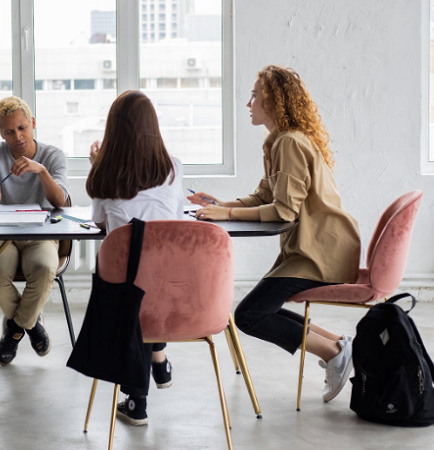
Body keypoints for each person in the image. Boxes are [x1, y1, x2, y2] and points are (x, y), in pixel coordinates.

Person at [188, 65, 361, 402]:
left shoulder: (290, 143)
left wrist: (228, 214)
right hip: (313, 250)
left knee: (249, 315)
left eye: (255, 95)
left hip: (322, 253)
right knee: (258, 308)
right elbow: (264, 196)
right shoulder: (279, 141)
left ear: (273, 101)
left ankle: (333, 353)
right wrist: (222, 204)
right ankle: (339, 345)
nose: (249, 102)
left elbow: (284, 211)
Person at [86, 90, 185, 426]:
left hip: (120, 292)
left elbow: (100, 223)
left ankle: (137, 401)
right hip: (170, 284)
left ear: (113, 130)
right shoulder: (173, 168)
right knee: (149, 278)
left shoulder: (104, 175)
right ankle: (158, 358)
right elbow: (175, 221)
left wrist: (97, 166)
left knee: (134, 286)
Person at [0, 96, 68, 366]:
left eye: (22, 128)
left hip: (41, 233)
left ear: (32, 123)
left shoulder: (52, 156)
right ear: (0, 133)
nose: (17, 136)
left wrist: (40, 171)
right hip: (0, 233)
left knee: (44, 269)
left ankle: (15, 329)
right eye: (9, 131)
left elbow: (59, 201)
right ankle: (31, 323)